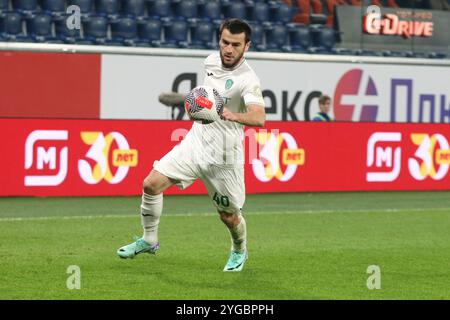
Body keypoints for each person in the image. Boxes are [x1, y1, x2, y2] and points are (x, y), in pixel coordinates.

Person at [117, 18, 266, 272]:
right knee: (151, 184)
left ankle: (239, 250)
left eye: (236, 45)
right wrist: (196, 109)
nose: (228, 49)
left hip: (224, 157)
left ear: (247, 47)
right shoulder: (209, 62)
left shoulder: (247, 80)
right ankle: (149, 240)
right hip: (195, 143)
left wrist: (232, 115)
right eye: (225, 42)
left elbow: (259, 118)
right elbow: (207, 100)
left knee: (228, 216)